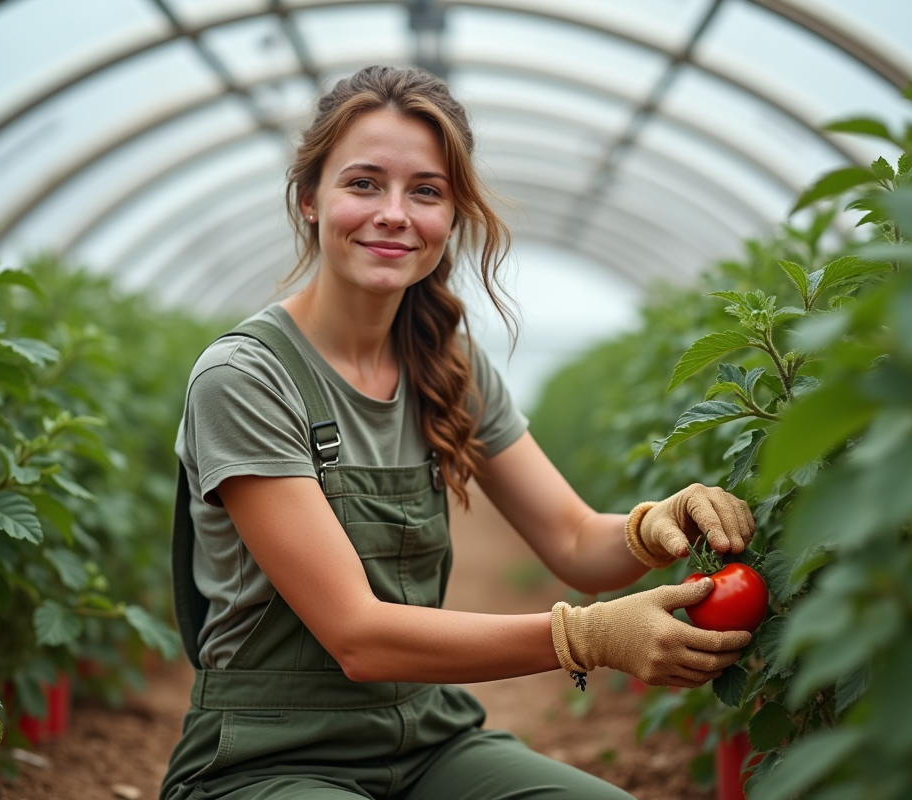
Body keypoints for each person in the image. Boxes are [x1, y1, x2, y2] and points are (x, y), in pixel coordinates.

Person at [160, 64, 756, 800]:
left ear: (452, 216)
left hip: (426, 742)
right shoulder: (247, 378)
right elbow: (358, 636)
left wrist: (651, 525)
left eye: (426, 191)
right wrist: (587, 636)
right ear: (309, 199)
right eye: (363, 183)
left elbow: (572, 540)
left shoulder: (448, 366)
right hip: (267, 758)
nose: (394, 213)